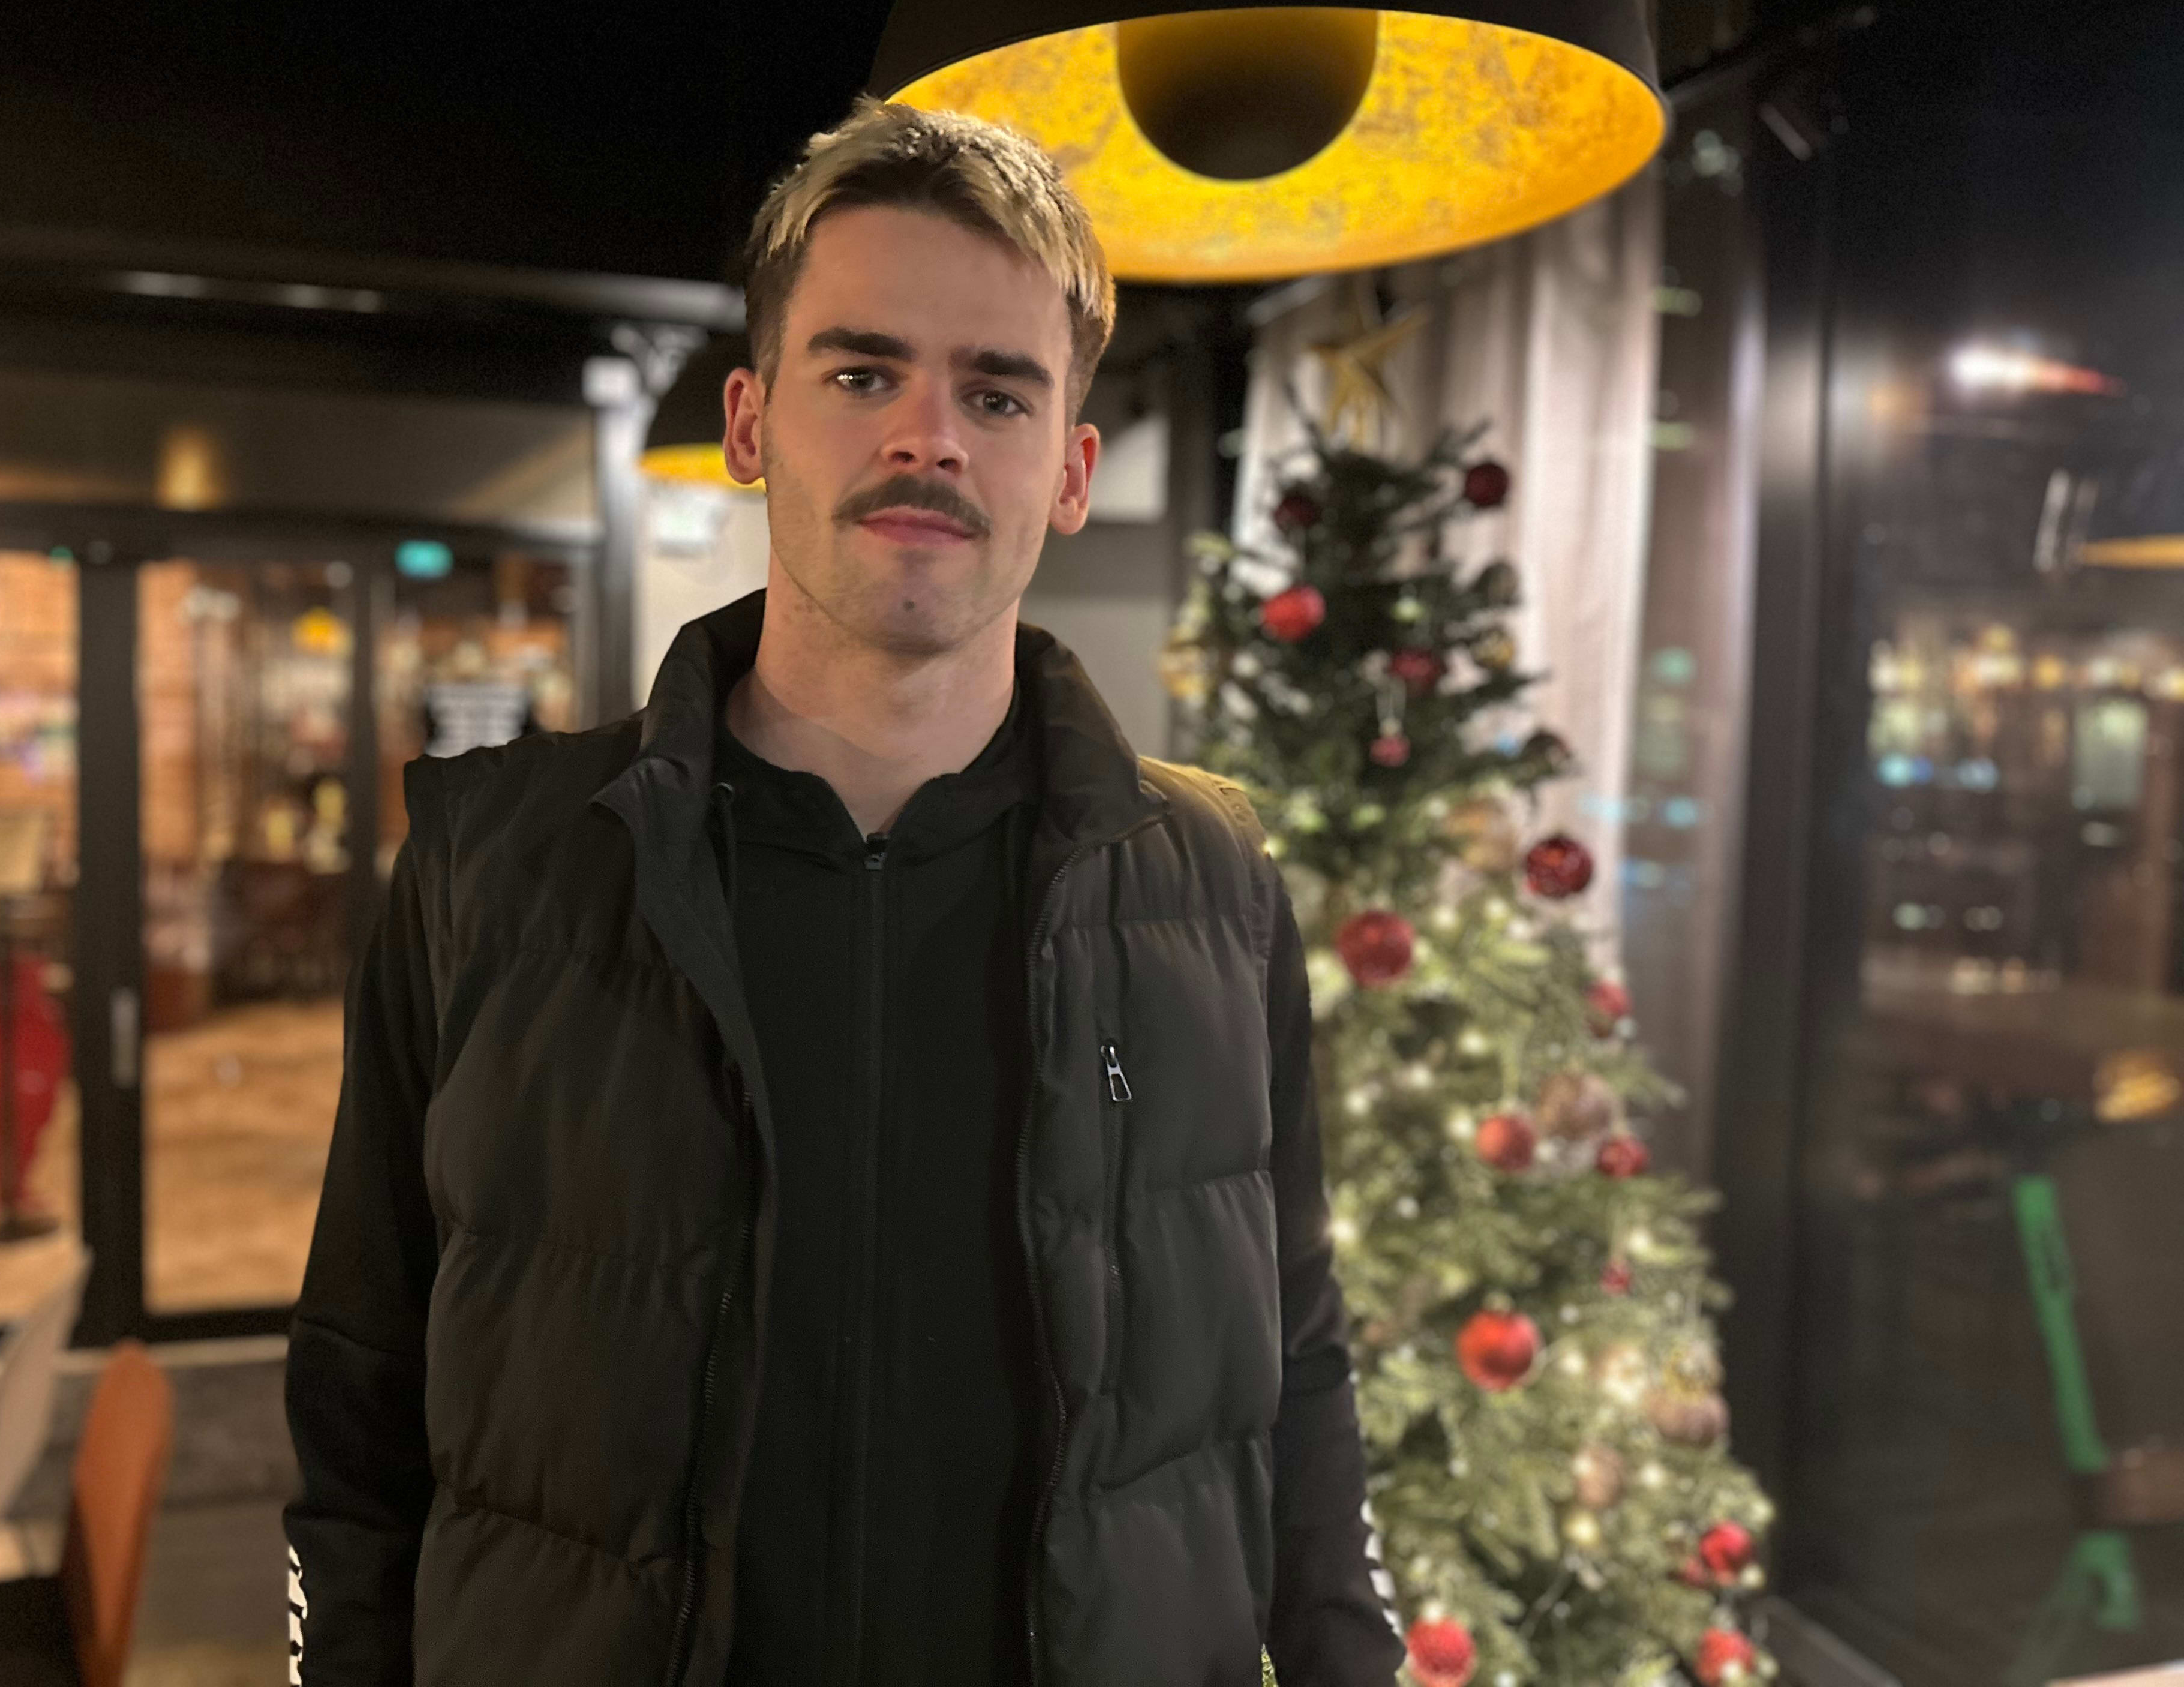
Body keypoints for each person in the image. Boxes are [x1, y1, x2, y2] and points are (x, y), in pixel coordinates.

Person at [284, 98, 1402, 1687]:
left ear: (1070, 470)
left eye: (996, 394)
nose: (929, 438)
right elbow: (357, 1404)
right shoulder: (495, 862)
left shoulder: (1213, 886)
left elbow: (1297, 1379)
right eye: (864, 373)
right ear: (751, 424)